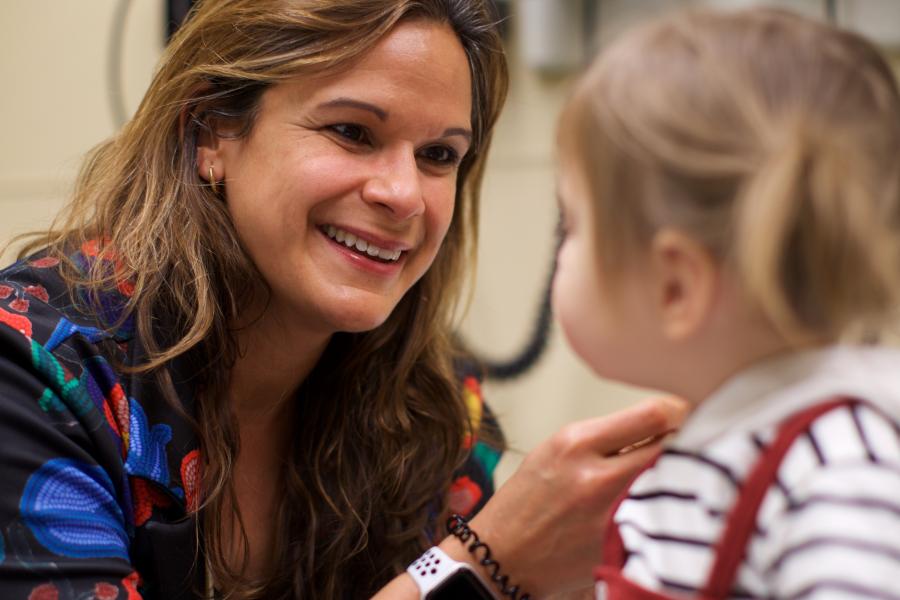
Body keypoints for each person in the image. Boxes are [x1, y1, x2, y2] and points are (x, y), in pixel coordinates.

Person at [0, 1, 682, 598]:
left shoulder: (431, 402)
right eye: (353, 133)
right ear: (210, 131)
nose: (404, 194)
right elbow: (478, 572)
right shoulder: (32, 371)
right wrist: (479, 570)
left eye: (439, 156)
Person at [552, 7, 900, 599]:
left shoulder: (839, 469)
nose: (561, 255)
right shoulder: (721, 448)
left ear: (676, 288)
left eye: (572, 226)